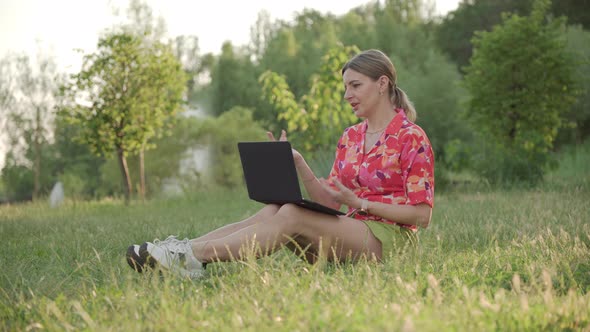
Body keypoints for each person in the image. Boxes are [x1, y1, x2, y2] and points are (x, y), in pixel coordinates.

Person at [126, 49, 435, 279]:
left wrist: (362, 203)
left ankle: (192, 257)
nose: (346, 95)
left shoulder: (411, 137)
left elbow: (422, 216)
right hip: (349, 235)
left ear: (382, 84)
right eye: (345, 87)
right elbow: (330, 202)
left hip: (389, 242)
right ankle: (180, 249)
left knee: (289, 214)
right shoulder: (351, 137)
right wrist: (297, 161)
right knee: (276, 209)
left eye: (355, 86)